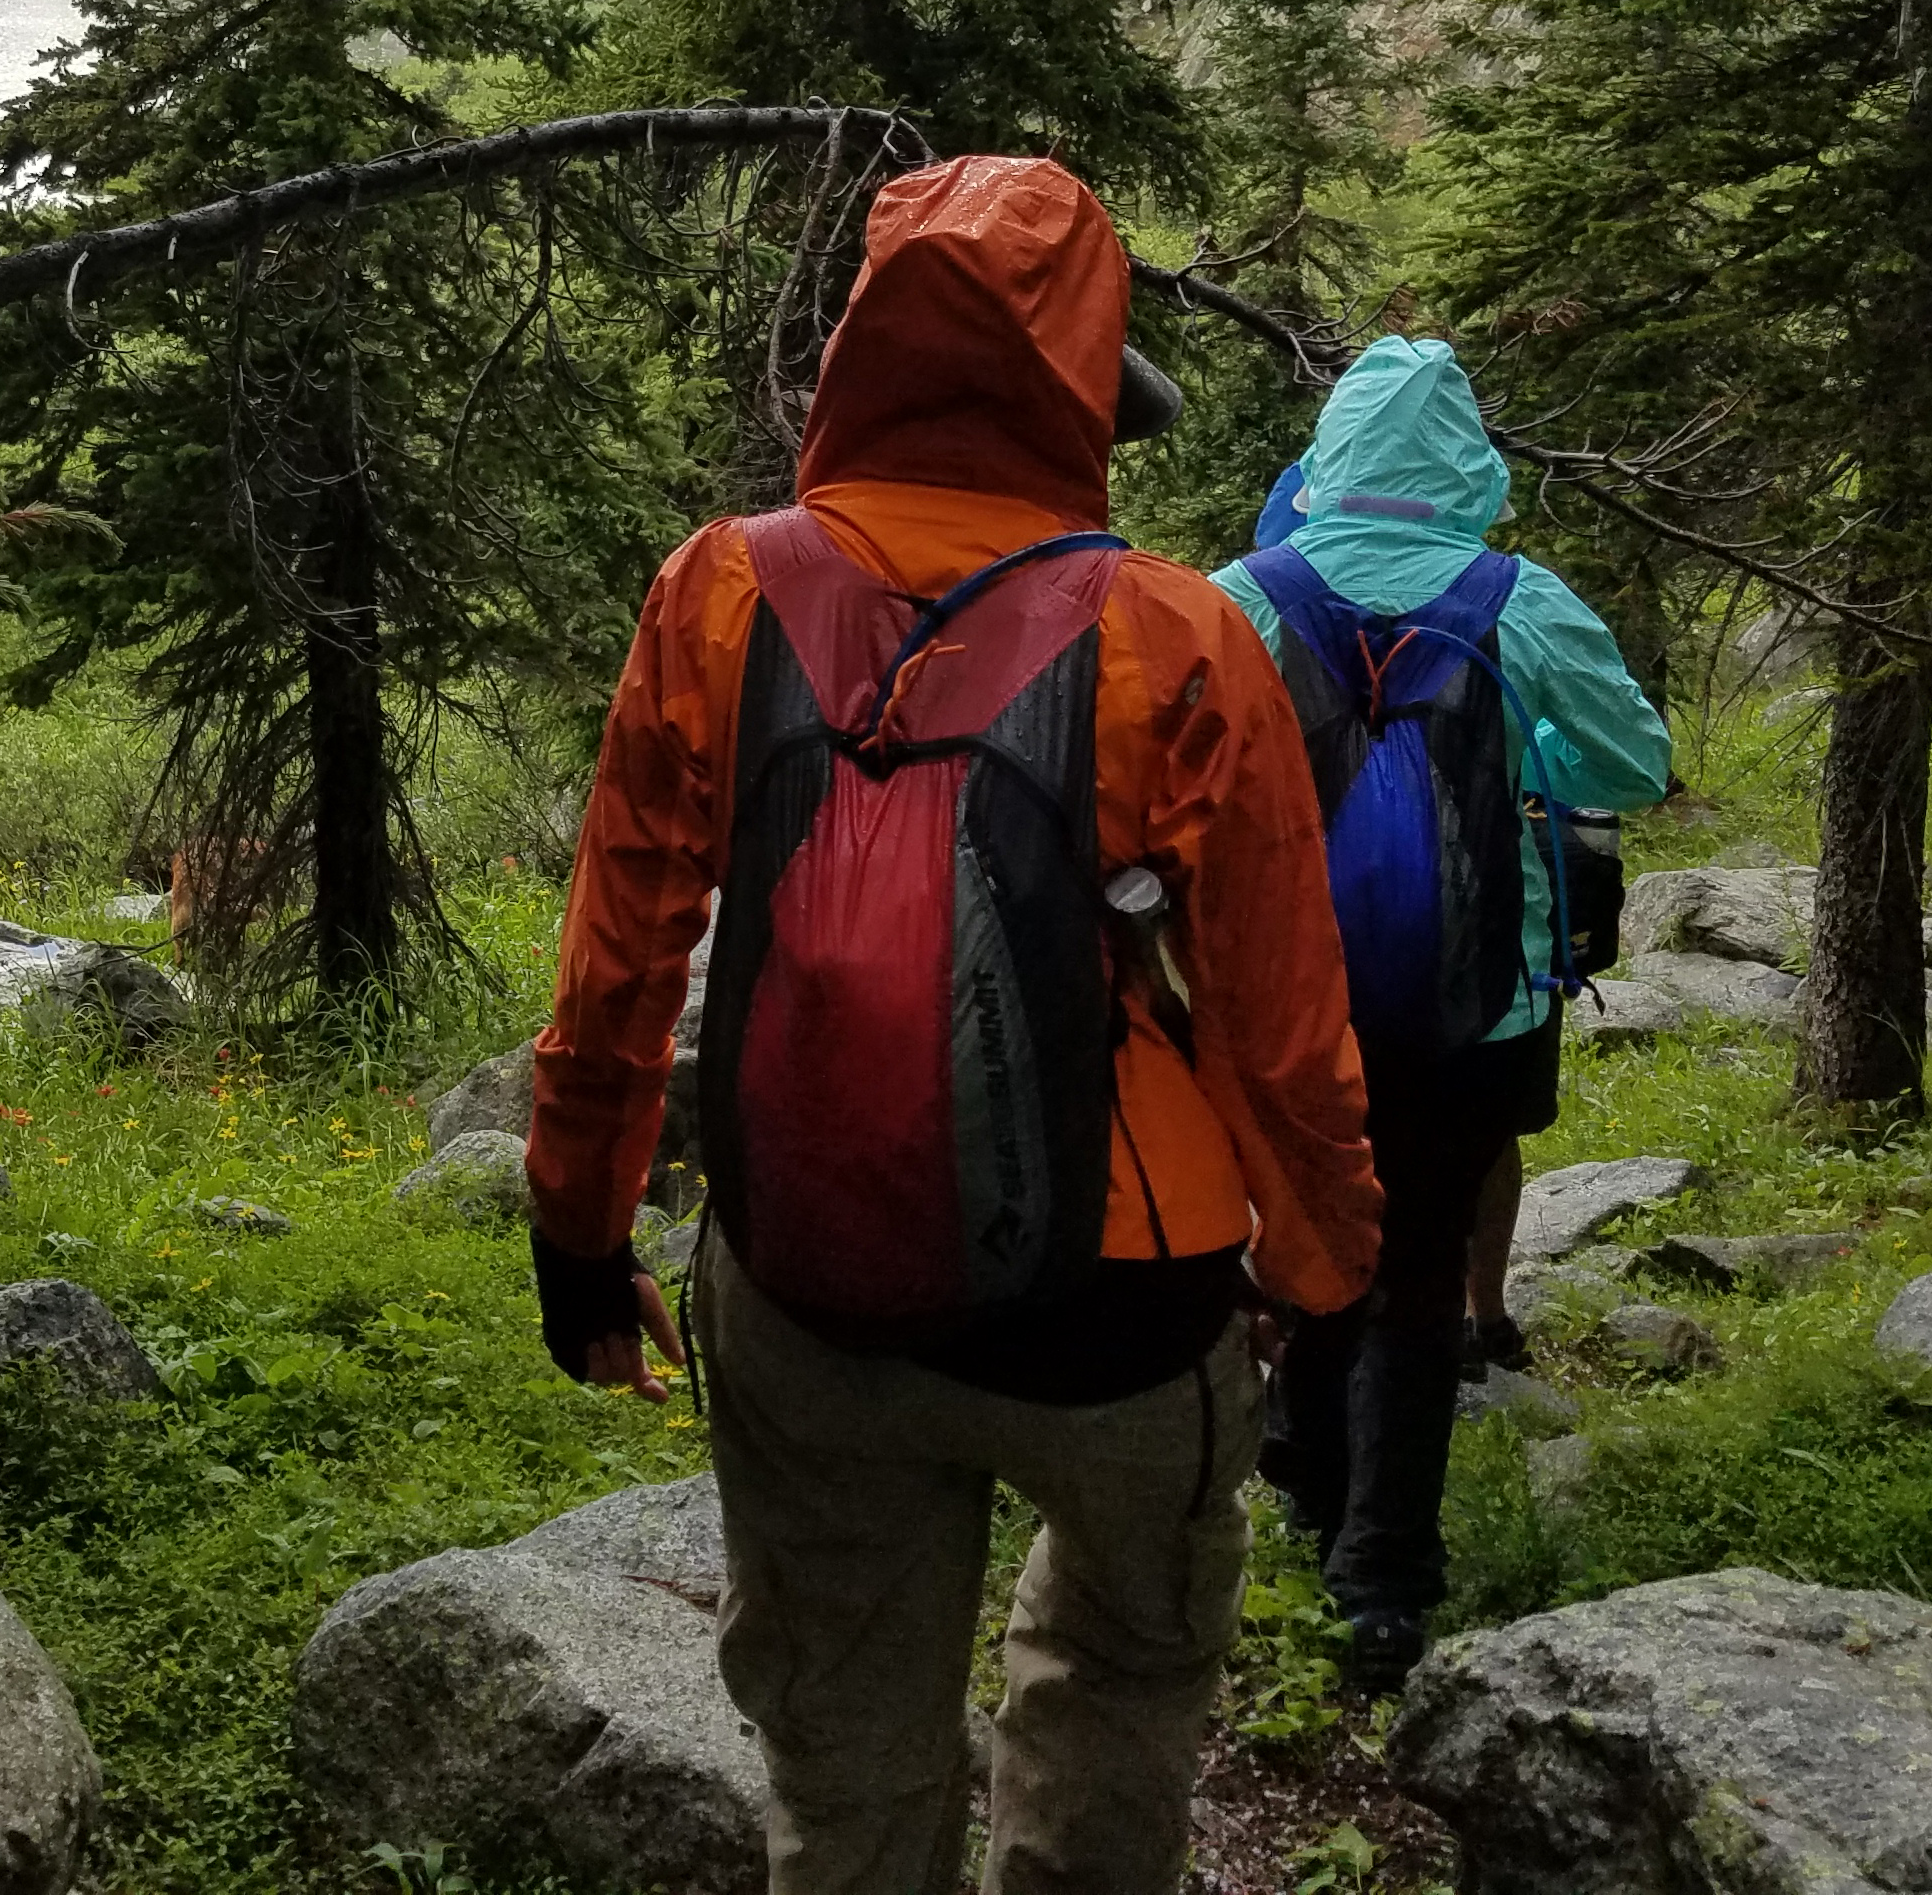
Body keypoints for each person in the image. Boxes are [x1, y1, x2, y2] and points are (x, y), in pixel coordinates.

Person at [523, 158, 1383, 1895]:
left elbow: (622, 958)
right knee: (1120, 1693)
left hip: (805, 1276)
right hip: (1125, 1308)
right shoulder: (1184, 634)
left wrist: (576, 1232)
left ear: (860, 359)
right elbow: (1283, 1039)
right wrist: (1323, 1275)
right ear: (1083, 389)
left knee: (840, 1758)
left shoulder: (719, 589)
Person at [1214, 338, 1668, 1687]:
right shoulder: (1517, 601)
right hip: (1476, 1013)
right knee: (1420, 1272)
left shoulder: (1241, 598)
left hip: (1287, 1012)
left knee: (1303, 1233)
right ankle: (1385, 1590)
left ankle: (1304, 1478)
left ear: (1333, 453)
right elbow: (1634, 764)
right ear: (1465, 458)